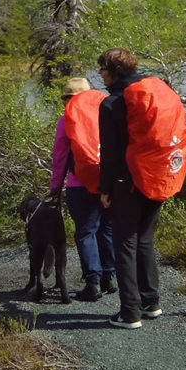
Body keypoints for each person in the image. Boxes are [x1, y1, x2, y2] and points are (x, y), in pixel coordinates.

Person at [98, 48, 186, 329]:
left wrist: (105, 188)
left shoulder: (112, 103)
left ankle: (129, 313)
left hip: (128, 182)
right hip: (157, 176)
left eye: (102, 68)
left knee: (124, 243)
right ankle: (151, 303)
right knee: (145, 240)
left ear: (113, 71)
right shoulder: (154, 91)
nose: (99, 73)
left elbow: (111, 153)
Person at [49, 77, 116, 301]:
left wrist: (55, 187)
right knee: (106, 230)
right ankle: (109, 277)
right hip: (110, 181)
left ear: (68, 99)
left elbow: (59, 158)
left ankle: (93, 283)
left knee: (86, 232)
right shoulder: (108, 113)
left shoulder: (66, 119)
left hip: (80, 185)